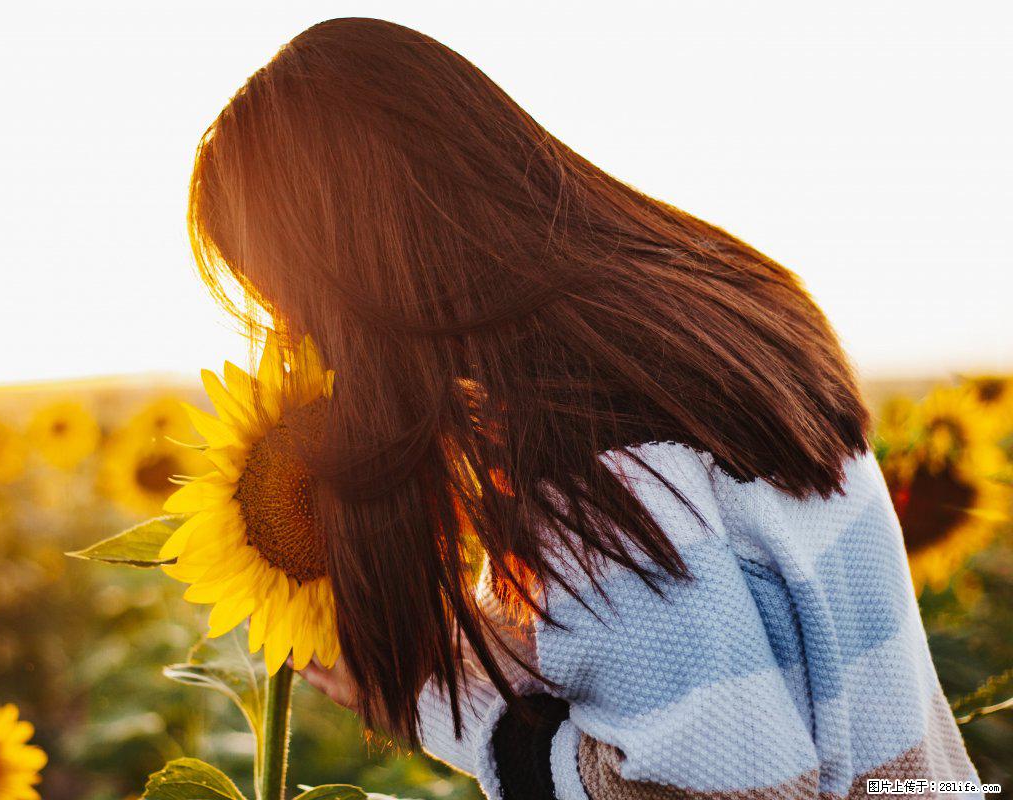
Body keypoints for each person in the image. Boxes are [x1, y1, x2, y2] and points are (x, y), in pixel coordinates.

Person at [185, 17, 980, 799]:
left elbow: (730, 791)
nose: (300, 342)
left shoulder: (592, 470)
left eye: (290, 303)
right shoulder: (721, 306)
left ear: (350, 284)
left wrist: (449, 698)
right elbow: (758, 635)